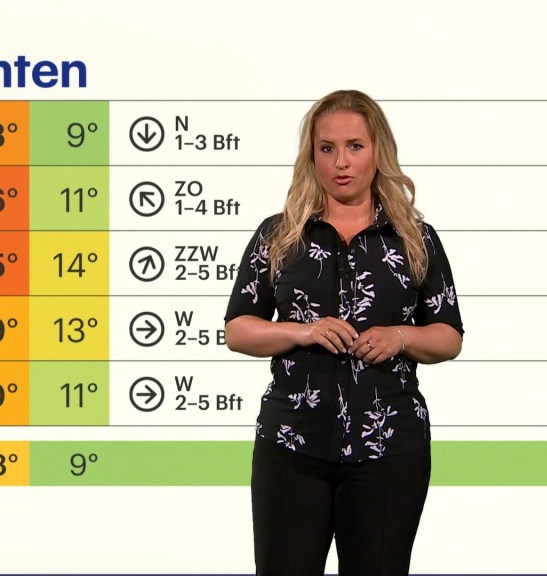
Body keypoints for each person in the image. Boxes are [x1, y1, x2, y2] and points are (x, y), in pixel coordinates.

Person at [224, 90, 463, 575]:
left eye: (355, 146)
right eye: (327, 148)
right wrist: (302, 332)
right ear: (311, 155)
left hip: (389, 449)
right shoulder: (279, 235)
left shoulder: (416, 239)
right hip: (292, 446)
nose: (341, 162)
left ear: (378, 151)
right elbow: (238, 329)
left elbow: (448, 335)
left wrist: (401, 337)